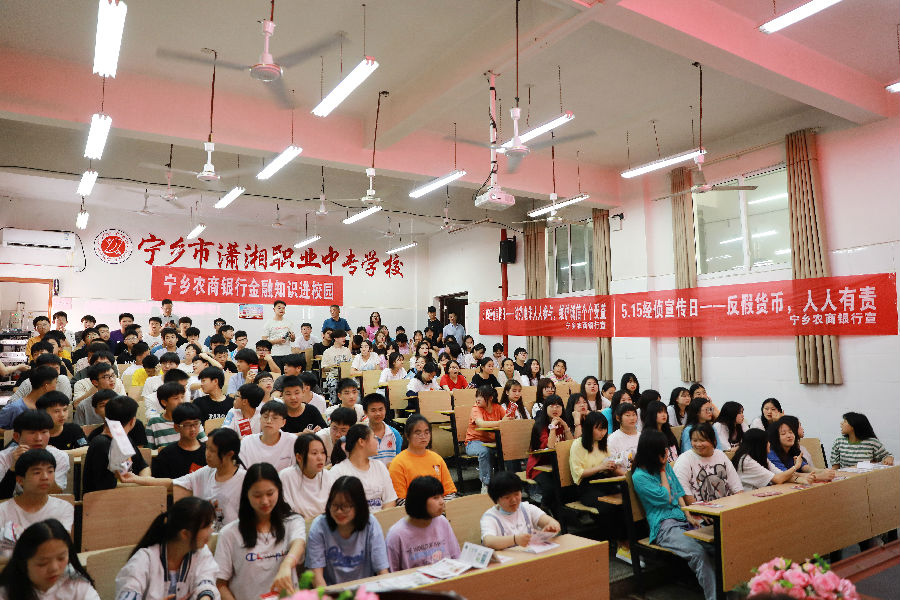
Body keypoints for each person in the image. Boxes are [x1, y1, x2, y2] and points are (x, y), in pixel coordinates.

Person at [631, 430, 716, 600]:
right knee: (698, 553)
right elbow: (665, 497)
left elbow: (677, 492)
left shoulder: (665, 465)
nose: (666, 452)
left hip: (682, 518)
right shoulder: (639, 476)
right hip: (664, 526)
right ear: (651, 452)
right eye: (662, 450)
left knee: (716, 545)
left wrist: (688, 515)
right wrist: (662, 470)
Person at [215, 463, 306, 600]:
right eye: (257, 495)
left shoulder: (292, 521)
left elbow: (299, 543)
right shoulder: (229, 534)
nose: (265, 501)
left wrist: (287, 564)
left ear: (279, 490)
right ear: (247, 495)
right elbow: (220, 584)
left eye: (270, 494)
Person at [114, 497, 218, 600]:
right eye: (206, 527)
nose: (211, 531)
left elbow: (206, 582)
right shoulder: (145, 559)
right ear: (185, 534)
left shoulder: (202, 553)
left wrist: (205, 597)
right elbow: (128, 593)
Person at [306, 475, 389, 586]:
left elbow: (382, 571)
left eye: (345, 506)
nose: (339, 512)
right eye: (334, 505)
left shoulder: (371, 524)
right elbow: (316, 575)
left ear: (358, 506)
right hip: (332, 592)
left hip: (365, 591)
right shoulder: (319, 526)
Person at [568, 411, 630, 558]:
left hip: (604, 480)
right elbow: (578, 473)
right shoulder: (578, 445)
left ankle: (628, 540)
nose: (603, 433)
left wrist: (625, 474)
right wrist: (600, 467)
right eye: (599, 429)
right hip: (587, 486)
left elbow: (611, 466)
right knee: (607, 505)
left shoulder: (603, 444)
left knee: (628, 499)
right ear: (589, 428)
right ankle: (619, 543)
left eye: (604, 429)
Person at [0, 449, 75, 559]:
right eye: (37, 472)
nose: (45, 477)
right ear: (20, 480)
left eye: (50, 471)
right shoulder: (2, 511)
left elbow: (61, 549)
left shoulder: (64, 508)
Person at [0, 519, 98, 600]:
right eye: (43, 563)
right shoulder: (6, 592)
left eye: (61, 558)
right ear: (23, 563)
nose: (54, 568)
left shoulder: (78, 585)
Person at [173, 428, 246, 533]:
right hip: (207, 538)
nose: (207, 454)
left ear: (229, 454)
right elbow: (173, 482)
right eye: (207, 448)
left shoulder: (245, 480)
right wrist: (146, 479)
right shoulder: (207, 472)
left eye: (212, 451)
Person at [385, 475, 460, 570]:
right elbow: (392, 573)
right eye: (435, 498)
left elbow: (456, 557)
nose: (442, 502)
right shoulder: (396, 534)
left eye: (442, 496)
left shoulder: (442, 522)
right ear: (419, 501)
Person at [82, 395, 151, 494]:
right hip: (105, 500)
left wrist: (144, 483)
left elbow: (143, 467)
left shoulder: (124, 439)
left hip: (133, 495)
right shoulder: (101, 444)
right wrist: (143, 484)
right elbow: (108, 486)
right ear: (133, 421)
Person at [480, 470, 561, 550]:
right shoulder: (490, 517)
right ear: (496, 499)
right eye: (507, 497)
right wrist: (515, 540)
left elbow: (550, 521)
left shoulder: (527, 508)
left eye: (516, 494)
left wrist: (552, 526)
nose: (514, 500)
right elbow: (488, 541)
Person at [0, 410, 69, 499]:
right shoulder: (3, 458)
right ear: (16, 437)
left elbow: (56, 495)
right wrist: (13, 468)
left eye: (44, 432)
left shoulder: (59, 457)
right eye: (32, 433)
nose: (38, 439)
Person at [388, 415, 457, 502]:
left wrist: (440, 507)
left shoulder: (437, 459)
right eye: (418, 433)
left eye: (426, 432)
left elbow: (449, 492)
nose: (423, 436)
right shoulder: (398, 463)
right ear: (407, 435)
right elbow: (400, 500)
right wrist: (427, 509)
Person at [330, 425, 397, 511]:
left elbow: (390, 500)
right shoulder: (337, 472)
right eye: (374, 438)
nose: (377, 442)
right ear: (361, 442)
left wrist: (380, 518)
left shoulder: (379, 466)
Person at [673, 423, 744, 502]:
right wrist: (698, 508)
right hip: (698, 508)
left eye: (702, 440)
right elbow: (683, 492)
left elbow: (736, 486)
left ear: (713, 440)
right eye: (694, 440)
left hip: (726, 505)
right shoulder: (684, 459)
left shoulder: (720, 455)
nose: (698, 444)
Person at [526, 395, 571, 517]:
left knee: (569, 486)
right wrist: (553, 428)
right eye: (551, 406)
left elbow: (570, 444)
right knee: (551, 488)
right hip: (539, 466)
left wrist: (565, 426)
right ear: (545, 408)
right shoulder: (540, 425)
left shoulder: (563, 422)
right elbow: (550, 447)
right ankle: (545, 509)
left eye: (558, 406)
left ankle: (562, 514)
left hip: (558, 465)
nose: (555, 409)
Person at [280, 433, 336, 519]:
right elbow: (285, 514)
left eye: (323, 452)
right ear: (299, 457)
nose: (320, 458)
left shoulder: (327, 476)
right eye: (314, 453)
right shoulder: (286, 476)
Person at [731, 428, 807, 490]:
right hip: (747, 498)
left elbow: (780, 474)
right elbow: (778, 479)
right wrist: (796, 466)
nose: (769, 444)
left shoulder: (760, 457)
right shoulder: (746, 461)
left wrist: (803, 478)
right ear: (759, 444)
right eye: (767, 442)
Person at [465, 385, 508, 492]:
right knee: (484, 451)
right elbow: (481, 424)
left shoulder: (498, 407)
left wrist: (506, 420)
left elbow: (508, 420)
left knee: (509, 448)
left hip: (493, 442)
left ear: (490, 398)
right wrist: (501, 422)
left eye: (481, 396)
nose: (478, 399)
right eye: (477, 396)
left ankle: (505, 483)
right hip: (473, 442)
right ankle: (486, 484)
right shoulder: (476, 408)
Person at [147, 403, 207, 480]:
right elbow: (159, 484)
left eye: (196, 424)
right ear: (176, 427)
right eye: (187, 425)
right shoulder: (165, 455)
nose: (193, 429)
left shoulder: (209, 452)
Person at [767, 417, 835, 481]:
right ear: (776, 438)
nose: (789, 436)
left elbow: (805, 467)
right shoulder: (771, 453)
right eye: (783, 433)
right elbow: (785, 475)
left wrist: (823, 471)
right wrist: (818, 476)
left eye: (791, 432)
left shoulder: (792, 449)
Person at [146, 382, 208, 449]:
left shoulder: (191, 419)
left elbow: (205, 443)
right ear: (164, 402)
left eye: (182, 397)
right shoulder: (154, 422)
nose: (181, 401)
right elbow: (149, 450)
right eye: (176, 398)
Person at [240, 401, 298, 472]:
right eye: (265, 417)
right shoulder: (247, 442)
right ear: (260, 419)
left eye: (275, 418)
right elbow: (241, 471)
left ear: (283, 422)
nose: (269, 421)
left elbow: (296, 471)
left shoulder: (293, 441)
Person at [0, 366, 59, 430]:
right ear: (46, 386)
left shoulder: (50, 406)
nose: (56, 386)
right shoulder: (15, 408)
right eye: (55, 382)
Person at [363, 394, 402, 466]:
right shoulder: (361, 435)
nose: (378, 413)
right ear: (365, 412)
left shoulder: (394, 434)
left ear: (385, 410)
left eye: (381, 409)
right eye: (373, 410)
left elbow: (400, 460)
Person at [262, 300, 296, 373]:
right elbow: (264, 341)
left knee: (287, 375)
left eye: (283, 308)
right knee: (277, 375)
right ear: (274, 309)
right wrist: (276, 341)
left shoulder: (288, 322)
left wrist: (292, 337)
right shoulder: (269, 323)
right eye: (279, 308)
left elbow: (293, 340)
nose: (281, 310)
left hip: (287, 354)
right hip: (275, 354)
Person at [607, 402, 641, 470]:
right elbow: (612, 466)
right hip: (623, 475)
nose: (632, 418)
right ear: (618, 418)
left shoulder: (642, 436)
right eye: (628, 415)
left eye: (634, 415)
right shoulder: (613, 439)